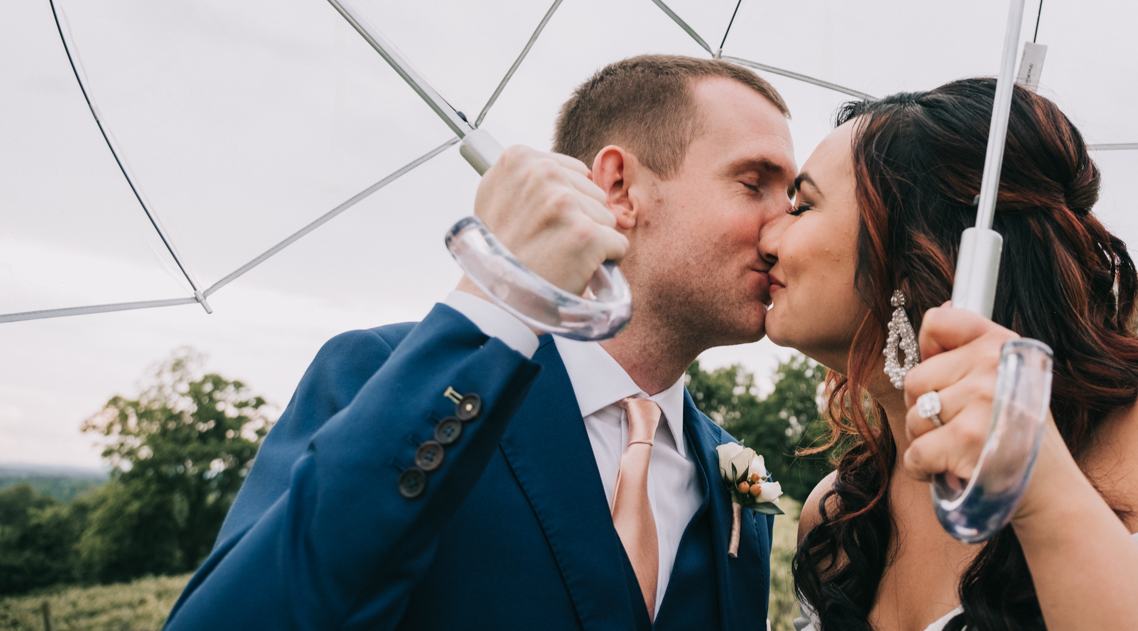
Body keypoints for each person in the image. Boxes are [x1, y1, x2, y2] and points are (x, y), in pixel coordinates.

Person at [164, 55, 797, 631]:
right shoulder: (380, 376)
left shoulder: (734, 475)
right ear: (617, 188)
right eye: (753, 183)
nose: (784, 231)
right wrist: (497, 291)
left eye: (793, 198)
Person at [760, 79, 1138, 631]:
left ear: (917, 247)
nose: (768, 237)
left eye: (802, 206)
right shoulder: (841, 514)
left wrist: (1044, 494)